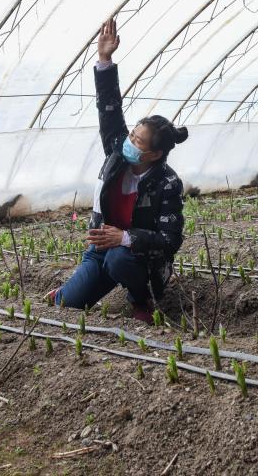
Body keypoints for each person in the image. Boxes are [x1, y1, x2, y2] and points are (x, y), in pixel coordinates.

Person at [49, 18, 187, 323]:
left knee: (118, 258)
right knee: (69, 304)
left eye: (138, 141)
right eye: (132, 135)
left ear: (155, 154)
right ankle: (69, 291)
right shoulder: (117, 153)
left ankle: (141, 299)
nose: (130, 141)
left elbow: (170, 239)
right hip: (100, 250)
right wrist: (105, 60)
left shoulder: (167, 183)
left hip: (136, 259)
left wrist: (124, 238)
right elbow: (109, 111)